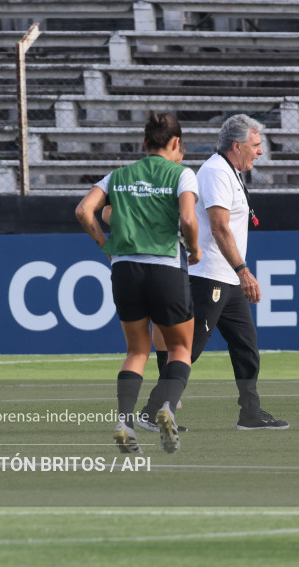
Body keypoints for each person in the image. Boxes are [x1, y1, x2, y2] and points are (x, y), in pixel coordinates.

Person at [136, 114, 290, 432]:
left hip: (226, 278)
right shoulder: (217, 172)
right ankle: (152, 411)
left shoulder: (229, 170)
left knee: (246, 346)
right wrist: (244, 270)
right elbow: (219, 227)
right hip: (210, 277)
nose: (261, 151)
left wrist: (238, 275)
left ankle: (250, 413)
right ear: (237, 145)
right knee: (188, 349)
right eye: (256, 145)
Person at [76, 111, 201, 454]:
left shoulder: (119, 175)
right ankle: (165, 408)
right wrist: (194, 247)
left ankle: (124, 422)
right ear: (176, 143)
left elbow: (84, 210)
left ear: (144, 143)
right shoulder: (182, 174)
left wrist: (107, 247)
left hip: (125, 269)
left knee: (137, 350)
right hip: (165, 267)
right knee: (180, 348)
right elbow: (189, 218)